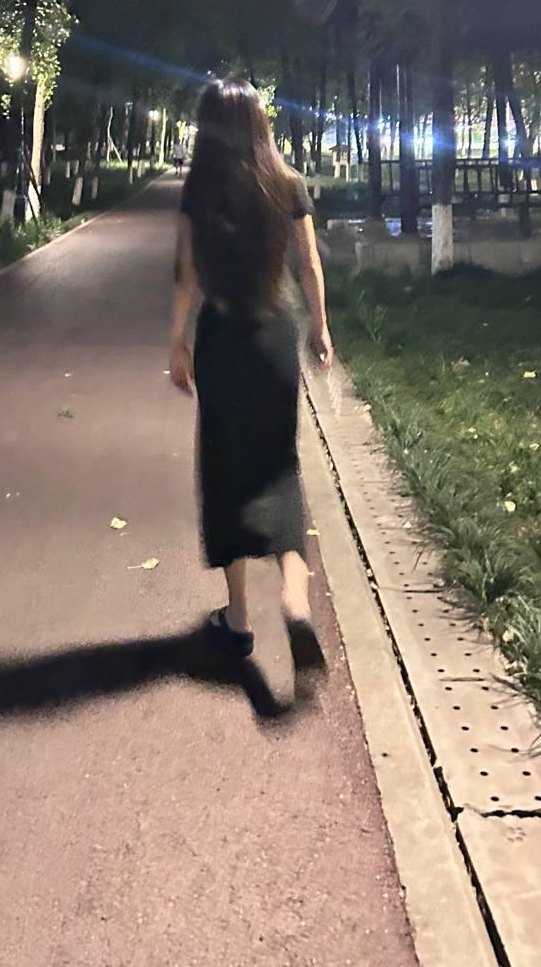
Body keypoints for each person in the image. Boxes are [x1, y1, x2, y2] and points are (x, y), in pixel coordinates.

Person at [169, 77, 333, 676]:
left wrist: (177, 342)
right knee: (278, 465)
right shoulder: (288, 183)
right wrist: (320, 327)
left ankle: (238, 620)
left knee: (225, 471)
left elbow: (186, 275)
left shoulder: (201, 189)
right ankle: (294, 595)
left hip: (222, 340)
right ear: (261, 123)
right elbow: (309, 264)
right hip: (274, 339)